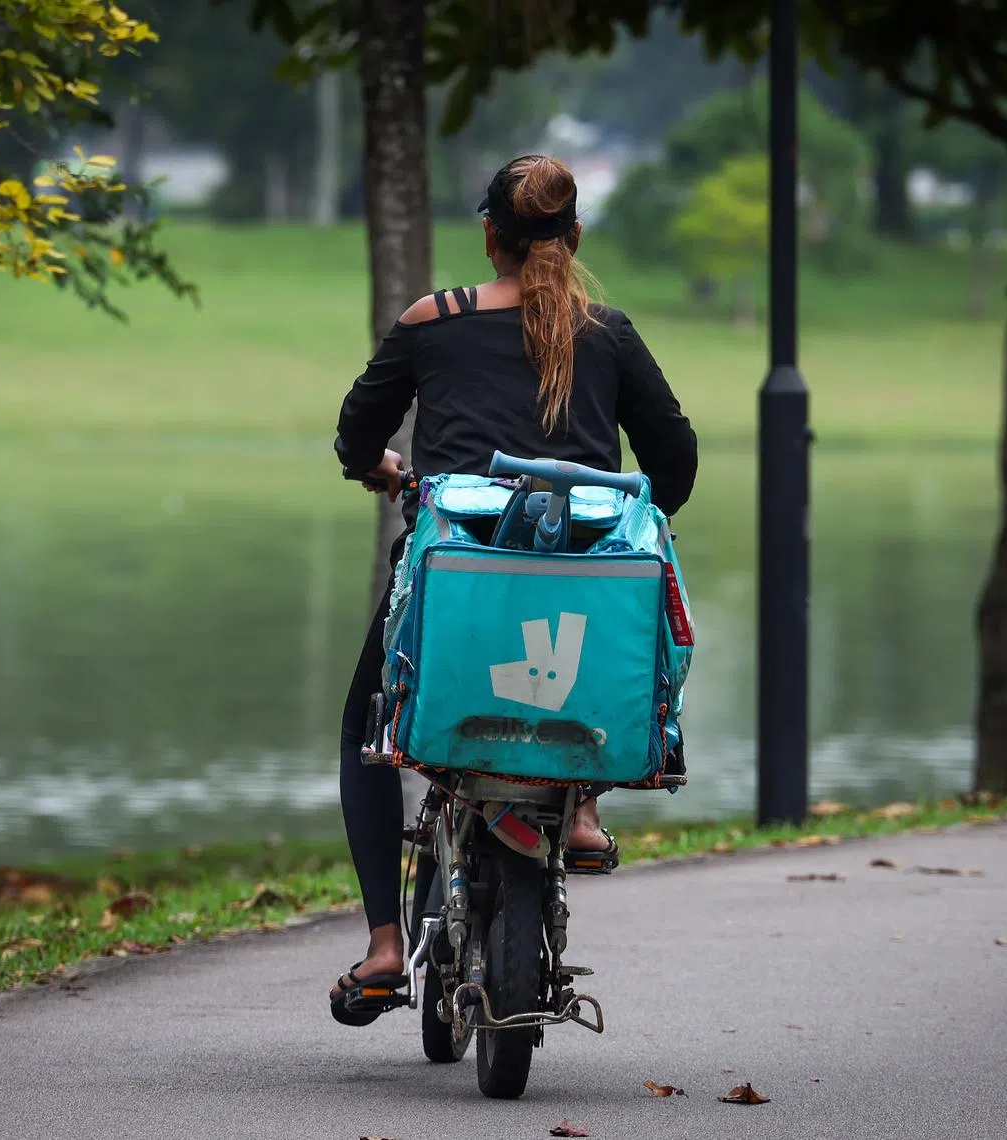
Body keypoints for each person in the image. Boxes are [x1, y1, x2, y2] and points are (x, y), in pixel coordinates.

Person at [330, 154, 698, 1022]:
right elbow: (673, 469)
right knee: (607, 632)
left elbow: (355, 438)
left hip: (457, 579)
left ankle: (386, 946)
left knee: (367, 734)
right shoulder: (606, 331)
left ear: (489, 235)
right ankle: (577, 810)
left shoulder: (433, 320)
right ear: (573, 240)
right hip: (580, 585)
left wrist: (388, 473)